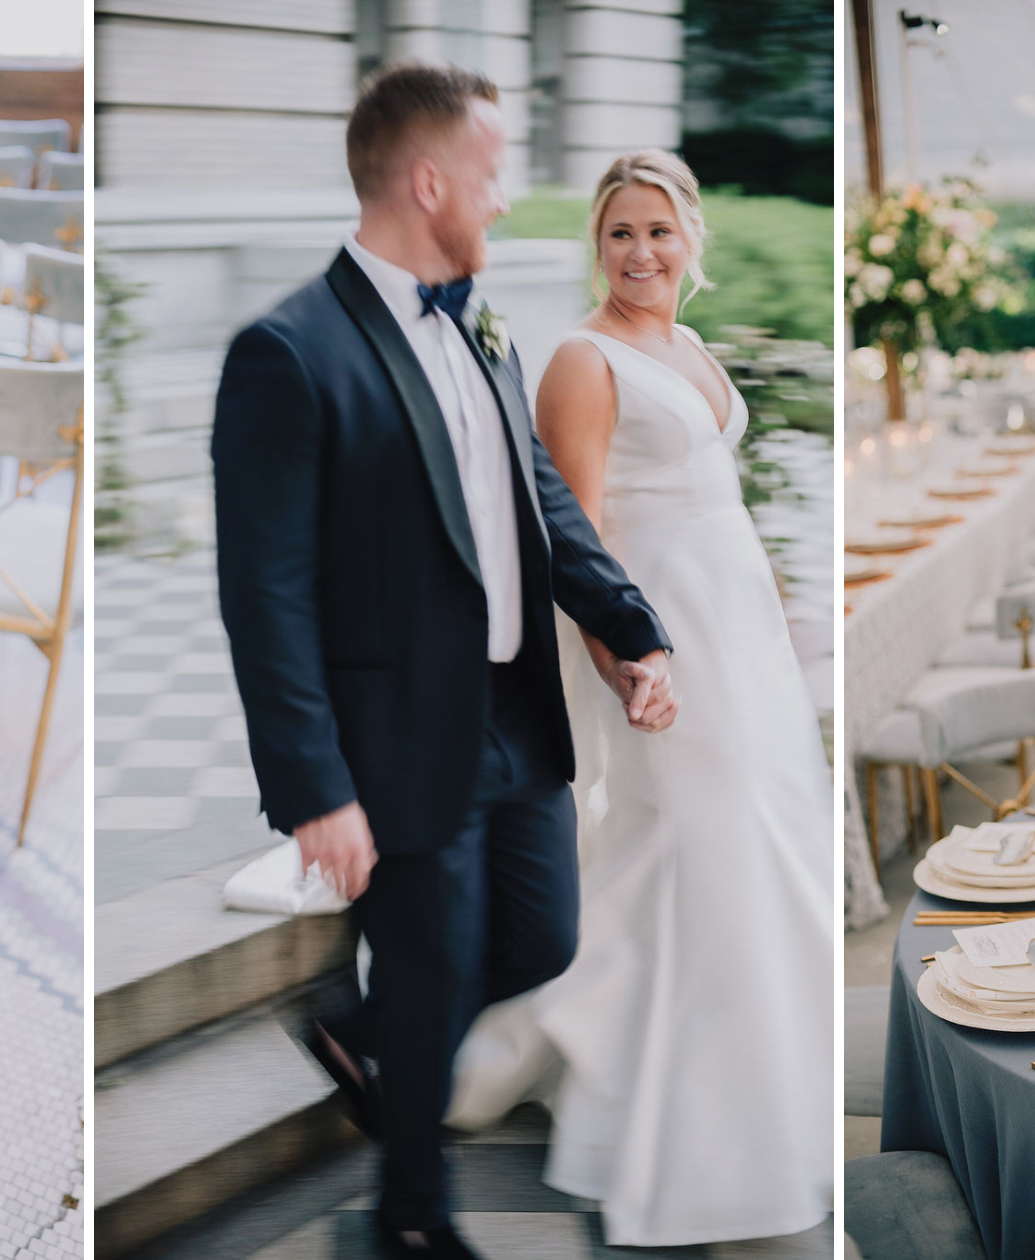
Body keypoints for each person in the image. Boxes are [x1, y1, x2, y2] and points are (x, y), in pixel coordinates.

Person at [210, 64, 678, 1260]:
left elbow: (538, 508)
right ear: (428, 181)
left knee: (544, 937)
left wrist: (631, 629)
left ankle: (357, 1024)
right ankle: (409, 1220)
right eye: (491, 171)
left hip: (515, 722)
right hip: (397, 738)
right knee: (432, 960)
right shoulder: (287, 352)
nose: (506, 198)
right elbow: (262, 597)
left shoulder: (480, 323)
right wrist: (313, 787)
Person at [445, 150, 835, 1247]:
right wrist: (622, 658)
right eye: (619, 232)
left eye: (658, 231)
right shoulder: (579, 357)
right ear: (596, 244)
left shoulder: (693, 348)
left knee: (751, 839)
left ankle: (754, 1076)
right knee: (692, 841)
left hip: (741, 634)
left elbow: (718, 497)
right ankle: (659, 1099)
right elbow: (578, 532)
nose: (639, 252)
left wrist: (784, 597)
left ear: (690, 238)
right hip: (658, 643)